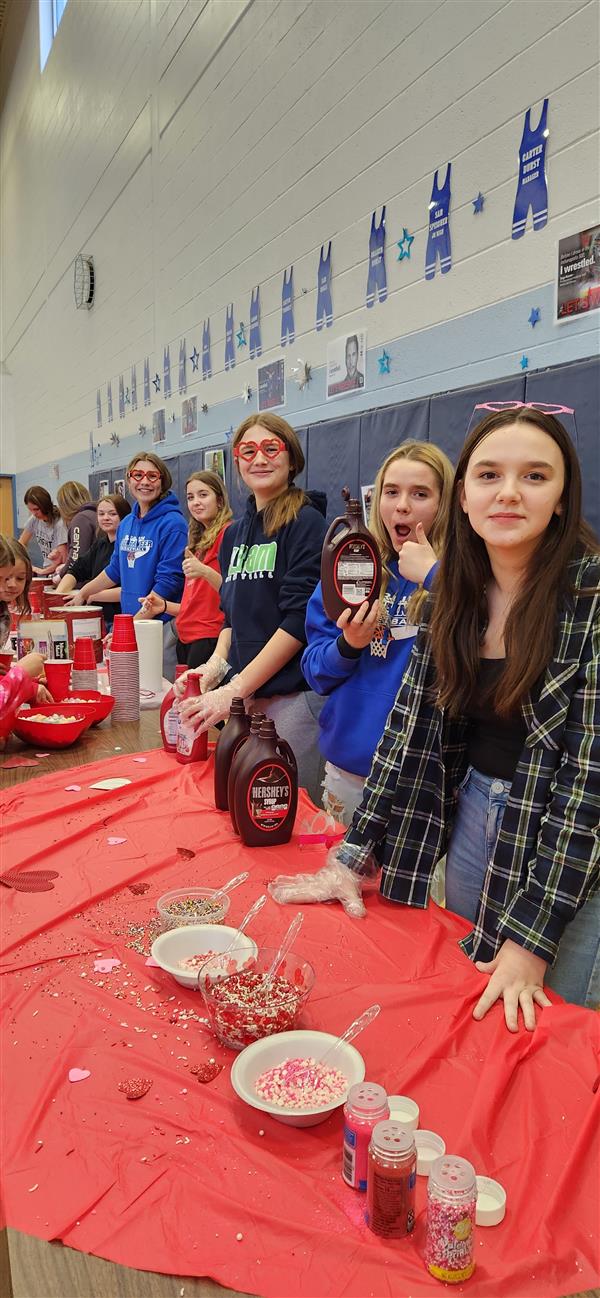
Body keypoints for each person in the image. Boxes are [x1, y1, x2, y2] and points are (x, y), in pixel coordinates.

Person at [270, 406, 600, 1030]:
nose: (508, 492)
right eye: (489, 475)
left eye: (534, 476)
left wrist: (533, 939)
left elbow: (589, 784)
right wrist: (351, 854)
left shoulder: (589, 598)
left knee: (553, 1019)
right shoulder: (454, 599)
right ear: (467, 500)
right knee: (476, 992)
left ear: (561, 498)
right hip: (476, 816)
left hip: (568, 841)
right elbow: (408, 730)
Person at [176, 413, 328, 803]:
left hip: (292, 699)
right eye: (248, 450)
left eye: (270, 448)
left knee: (289, 814)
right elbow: (232, 616)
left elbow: (298, 622)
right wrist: (216, 666)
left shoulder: (307, 522)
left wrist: (237, 687)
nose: (259, 458)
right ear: (238, 462)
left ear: (291, 459)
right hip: (250, 699)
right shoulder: (234, 535)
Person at [302, 442, 452, 825]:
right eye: (391, 492)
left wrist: (436, 577)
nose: (402, 505)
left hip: (428, 780)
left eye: (420, 494)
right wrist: (348, 646)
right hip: (351, 770)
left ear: (446, 503)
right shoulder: (352, 567)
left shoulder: (460, 580)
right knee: (345, 880)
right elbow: (315, 671)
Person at [74, 453, 187, 621]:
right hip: (131, 618)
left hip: (158, 624)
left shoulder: (173, 524)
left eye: (153, 476)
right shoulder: (126, 523)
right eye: (138, 475)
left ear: (162, 482)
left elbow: (168, 582)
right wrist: (84, 592)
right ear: (129, 480)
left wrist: (132, 625)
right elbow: (115, 569)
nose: (145, 482)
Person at [140, 471, 232, 668]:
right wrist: (164, 606)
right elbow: (197, 605)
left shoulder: (228, 535)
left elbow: (234, 593)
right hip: (187, 637)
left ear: (220, 500)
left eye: (203, 495)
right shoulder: (198, 541)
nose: (196, 502)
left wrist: (204, 571)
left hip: (210, 638)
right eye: (190, 497)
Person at [55, 494, 131, 627]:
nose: (106, 518)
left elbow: (130, 589)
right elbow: (76, 570)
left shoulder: (129, 548)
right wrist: (58, 596)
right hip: (98, 617)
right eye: (101, 514)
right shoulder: (100, 545)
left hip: (119, 619)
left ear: (124, 517)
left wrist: (89, 595)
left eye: (112, 514)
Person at [51, 482, 98, 578]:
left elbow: (76, 558)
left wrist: (61, 575)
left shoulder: (81, 519)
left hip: (87, 581)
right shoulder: (95, 513)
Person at [19, 487, 67, 576]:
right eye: (30, 510)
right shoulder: (34, 519)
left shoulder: (59, 524)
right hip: (47, 570)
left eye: (36, 509)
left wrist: (42, 571)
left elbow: (64, 559)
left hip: (60, 572)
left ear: (45, 506)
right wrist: (25, 563)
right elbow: (21, 543)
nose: (34, 513)